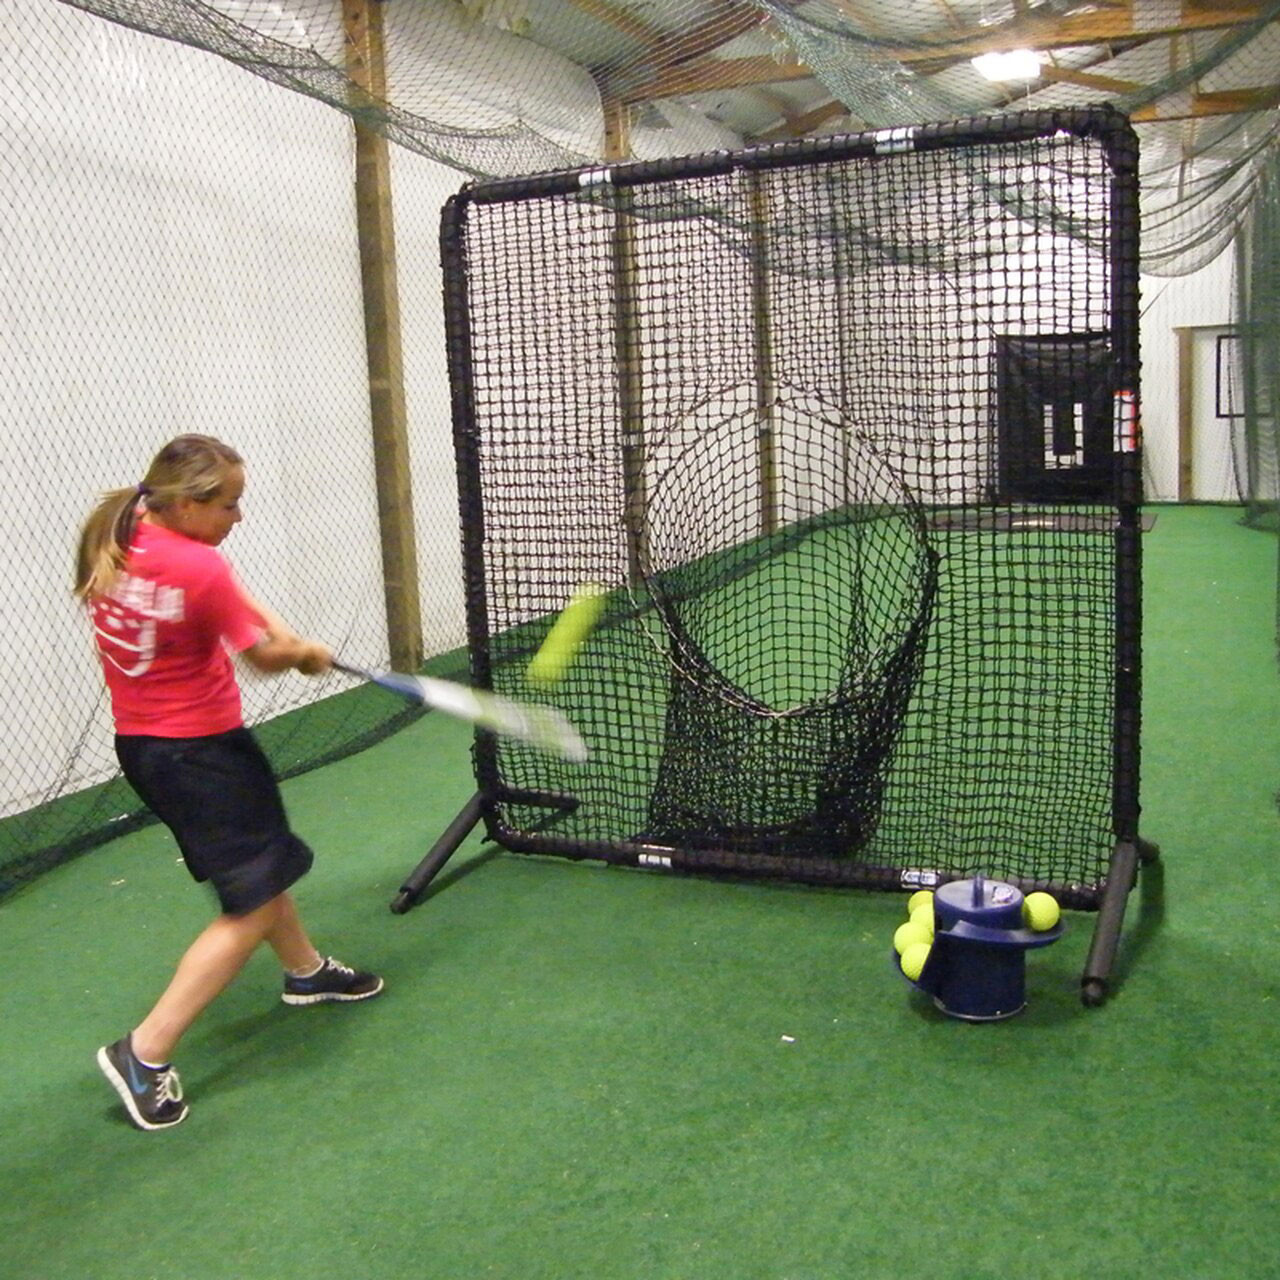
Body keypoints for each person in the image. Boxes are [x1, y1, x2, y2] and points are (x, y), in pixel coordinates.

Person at [76, 434, 383, 1132]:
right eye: (229, 505)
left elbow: (231, 598)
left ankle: (304, 970)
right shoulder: (196, 568)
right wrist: (301, 653)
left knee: (260, 870)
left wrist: (279, 630)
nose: (238, 516)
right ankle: (144, 1053)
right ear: (187, 502)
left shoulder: (129, 530)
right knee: (246, 906)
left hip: (147, 749)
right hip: (202, 754)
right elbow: (263, 659)